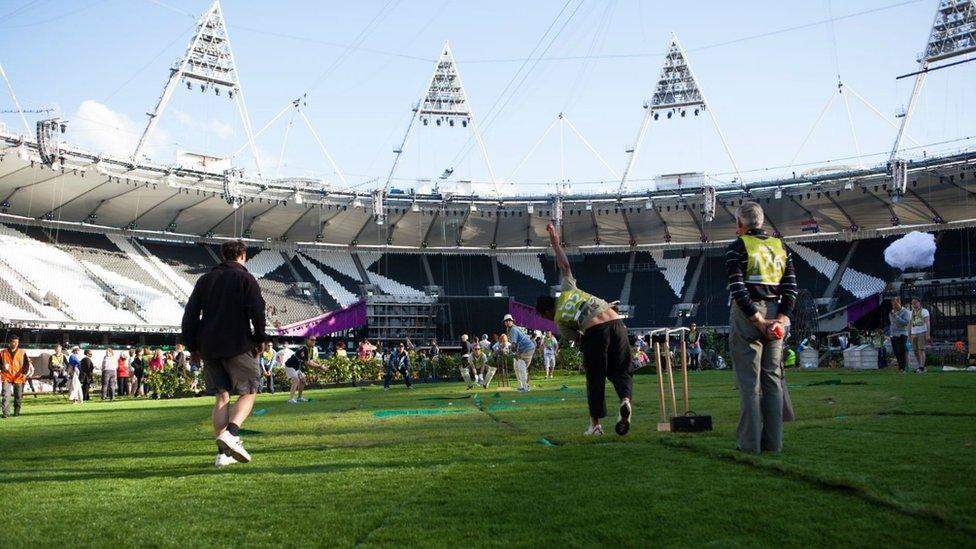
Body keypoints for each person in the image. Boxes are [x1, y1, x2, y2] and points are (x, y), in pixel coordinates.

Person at [536, 223, 633, 436]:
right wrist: (554, 243)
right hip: (617, 321)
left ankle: (595, 425)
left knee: (595, 378)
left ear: (545, 313)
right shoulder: (567, 289)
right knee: (621, 370)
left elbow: (582, 341)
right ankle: (625, 400)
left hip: (595, 330)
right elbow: (564, 265)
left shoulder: (560, 321)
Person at [182, 239, 267, 467]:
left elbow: (190, 315)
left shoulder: (205, 280)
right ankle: (231, 434)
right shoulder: (246, 278)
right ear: (243, 255)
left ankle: (223, 455)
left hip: (208, 345)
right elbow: (257, 311)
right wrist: (260, 338)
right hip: (237, 342)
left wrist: (192, 346)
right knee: (250, 390)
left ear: (223, 255)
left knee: (221, 397)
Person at [725, 201, 798, 454]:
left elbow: (737, 288)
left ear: (739, 224)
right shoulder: (781, 247)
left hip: (749, 315)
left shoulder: (738, 248)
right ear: (762, 221)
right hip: (776, 314)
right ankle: (773, 443)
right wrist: (780, 319)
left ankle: (749, 444)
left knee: (749, 382)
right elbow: (791, 288)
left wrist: (758, 319)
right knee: (772, 380)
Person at [503, 314, 536, 392]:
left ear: (512, 321)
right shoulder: (509, 330)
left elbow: (513, 345)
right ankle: (521, 386)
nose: (507, 322)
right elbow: (514, 345)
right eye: (505, 321)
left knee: (521, 366)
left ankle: (526, 387)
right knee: (516, 366)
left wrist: (509, 352)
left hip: (528, 348)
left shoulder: (513, 329)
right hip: (521, 349)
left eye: (509, 320)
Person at [1, 334, 29, 417]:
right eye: (14, 342)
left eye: (17, 342)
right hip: (7, 376)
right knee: (6, 395)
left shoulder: (22, 352)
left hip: (19, 377)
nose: (16, 344)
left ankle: (16, 412)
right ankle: (6, 414)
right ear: (10, 343)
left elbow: (26, 365)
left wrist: (24, 373)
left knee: (18, 396)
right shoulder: (3, 352)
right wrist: (3, 367)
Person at [285, 337, 316, 404]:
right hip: (290, 365)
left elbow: (310, 361)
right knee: (296, 380)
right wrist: (320, 367)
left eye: (314, 340)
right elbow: (307, 363)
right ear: (307, 340)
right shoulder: (304, 348)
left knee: (303, 380)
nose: (313, 341)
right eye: (312, 340)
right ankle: (290, 399)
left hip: (296, 367)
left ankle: (299, 398)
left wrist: (319, 366)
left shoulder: (311, 350)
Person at [909, 298, 930, 373]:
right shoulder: (911, 313)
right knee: (915, 351)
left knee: (921, 350)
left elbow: (927, 323)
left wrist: (927, 334)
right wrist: (909, 334)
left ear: (919, 303)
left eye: (915, 303)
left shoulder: (924, 311)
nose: (914, 304)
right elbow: (910, 324)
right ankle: (921, 366)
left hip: (922, 332)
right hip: (913, 333)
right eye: (912, 303)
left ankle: (921, 367)